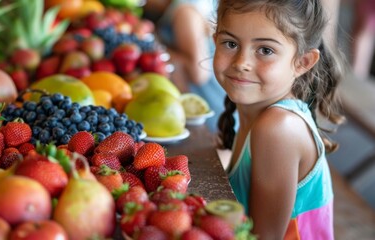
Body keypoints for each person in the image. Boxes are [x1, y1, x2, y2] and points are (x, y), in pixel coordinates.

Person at [214, 0, 346, 239]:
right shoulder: (260, 111)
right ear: (215, 40)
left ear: (302, 62)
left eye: (265, 50)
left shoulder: (278, 129)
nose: (241, 63)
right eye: (231, 43)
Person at [143, 0, 226, 132]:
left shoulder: (185, 12)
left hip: (209, 104)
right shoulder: (176, 10)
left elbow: (199, 73)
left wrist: (154, 49)